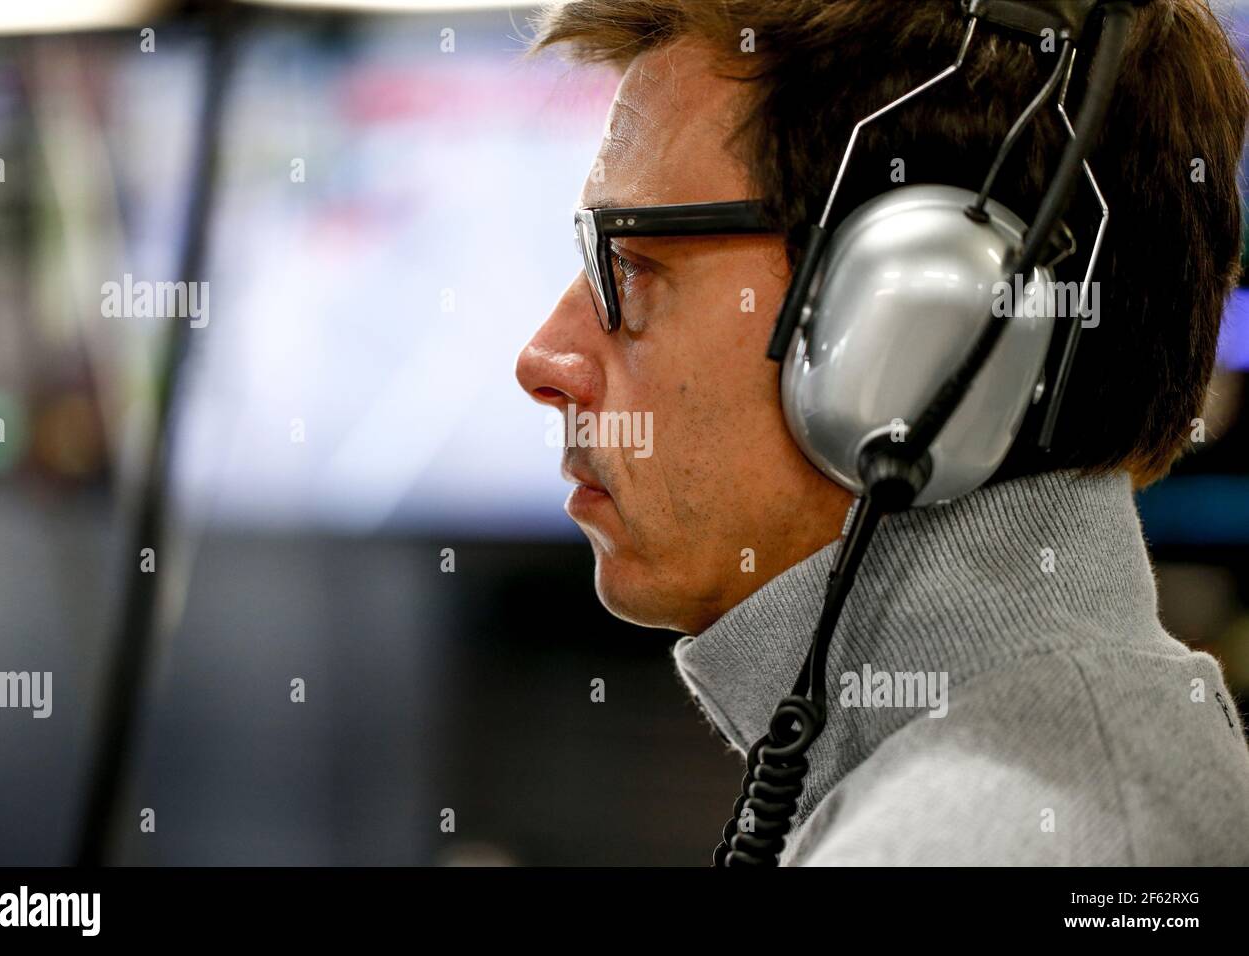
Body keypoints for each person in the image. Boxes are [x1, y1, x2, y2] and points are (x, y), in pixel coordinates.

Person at [514, 0, 1249, 864]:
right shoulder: (1051, 772)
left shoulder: (982, 839)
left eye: (629, 261)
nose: (545, 359)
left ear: (920, 321)